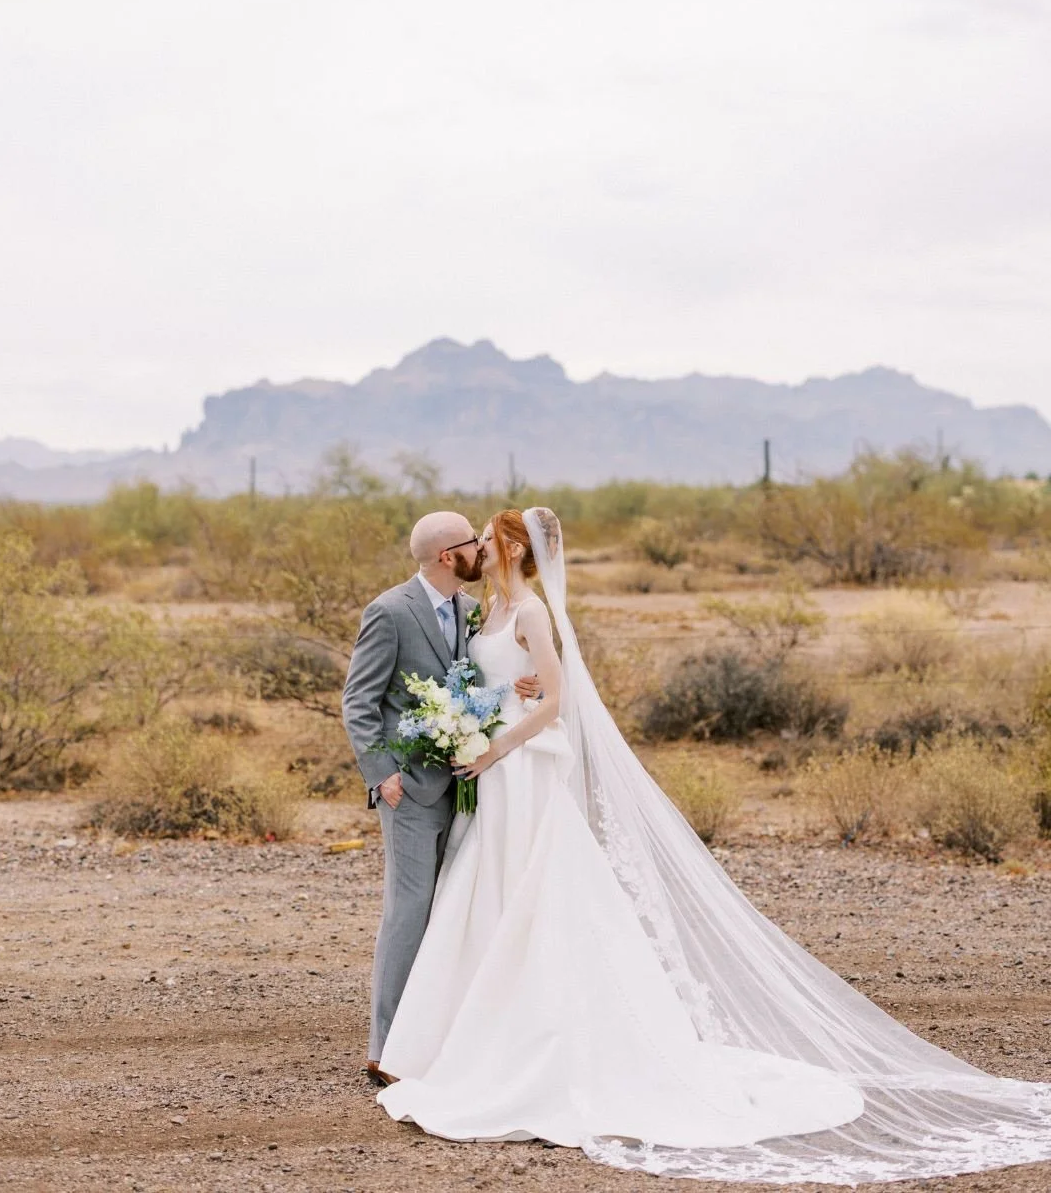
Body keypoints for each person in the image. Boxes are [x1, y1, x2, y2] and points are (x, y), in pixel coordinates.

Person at [373, 507, 1051, 1184]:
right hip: (491, 780)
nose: (480, 549)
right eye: (477, 542)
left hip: (514, 770)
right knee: (481, 897)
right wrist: (474, 723)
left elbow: (556, 699)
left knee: (531, 899)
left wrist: (496, 748)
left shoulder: (533, 615)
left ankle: (537, 1046)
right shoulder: (479, 612)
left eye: (488, 540)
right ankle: (457, 1041)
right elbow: (486, 683)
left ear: (515, 549)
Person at [341, 511, 537, 1087]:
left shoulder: (471, 611)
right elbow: (360, 701)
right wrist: (383, 776)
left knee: (454, 909)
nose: (482, 551)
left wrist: (520, 687)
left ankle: (438, 1036)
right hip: (412, 790)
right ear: (449, 556)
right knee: (408, 912)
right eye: (471, 544)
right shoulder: (390, 611)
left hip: (471, 785)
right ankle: (386, 1050)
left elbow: (478, 681)